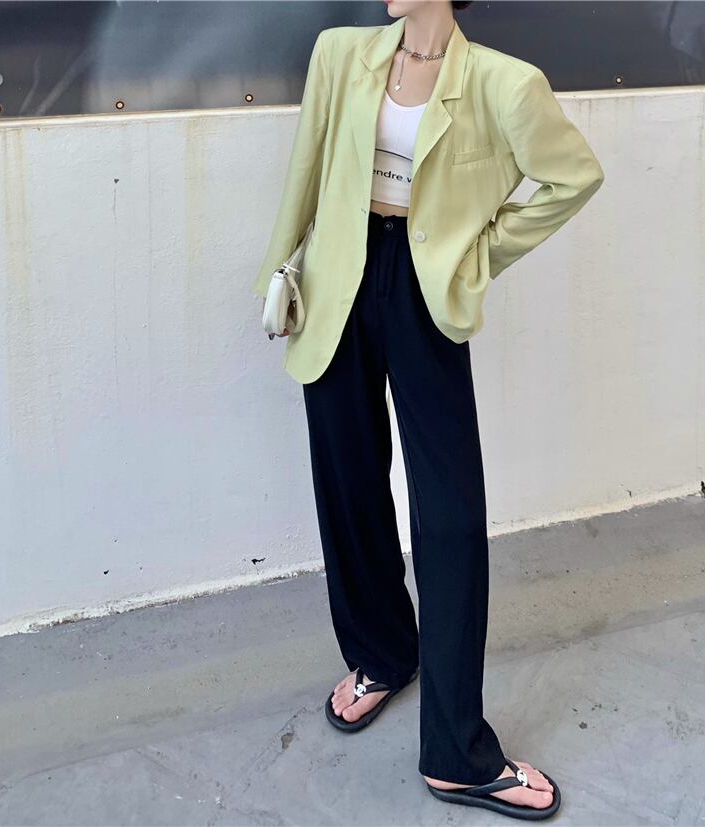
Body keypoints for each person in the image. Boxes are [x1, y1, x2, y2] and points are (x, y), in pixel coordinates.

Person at [254, 0, 604, 819]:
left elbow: (574, 176)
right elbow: (305, 170)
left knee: (449, 515)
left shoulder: (504, 83)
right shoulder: (340, 54)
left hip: (424, 290)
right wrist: (280, 274)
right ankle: (382, 652)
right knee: (347, 484)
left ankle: (456, 751)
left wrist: (477, 254)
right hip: (336, 280)